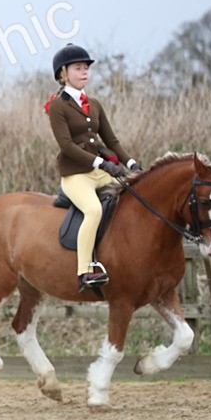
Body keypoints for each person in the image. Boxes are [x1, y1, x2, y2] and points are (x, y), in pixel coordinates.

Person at [44, 44, 143, 291]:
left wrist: (131, 163)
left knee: (132, 201)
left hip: (100, 171)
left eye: (86, 67)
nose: (84, 72)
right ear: (63, 74)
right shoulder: (58, 106)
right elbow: (66, 145)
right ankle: (84, 271)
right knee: (93, 210)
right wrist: (101, 163)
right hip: (76, 175)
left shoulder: (95, 104)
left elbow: (111, 140)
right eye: (78, 68)